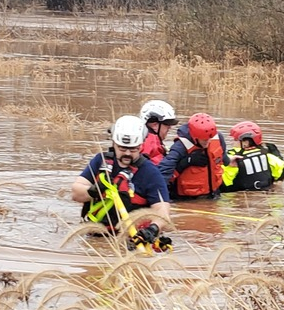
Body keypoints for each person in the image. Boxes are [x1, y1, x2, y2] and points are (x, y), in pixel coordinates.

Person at [71, 115, 171, 247]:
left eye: (133, 149)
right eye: (122, 149)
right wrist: (95, 190)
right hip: (94, 237)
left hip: (130, 240)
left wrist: (152, 230)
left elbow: (163, 212)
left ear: (141, 145)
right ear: (113, 143)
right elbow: (76, 193)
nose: (128, 154)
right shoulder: (100, 162)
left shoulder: (150, 172)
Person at [158, 112, 230, 199]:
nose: (208, 142)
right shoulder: (180, 147)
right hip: (187, 199)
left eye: (210, 138)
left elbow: (224, 160)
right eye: (204, 140)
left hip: (214, 195)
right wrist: (186, 162)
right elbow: (162, 174)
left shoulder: (218, 139)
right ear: (195, 137)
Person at [220, 121, 284, 192]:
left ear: (245, 143)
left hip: (238, 198)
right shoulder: (268, 156)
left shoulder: (232, 160)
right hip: (265, 195)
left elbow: (223, 183)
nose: (232, 142)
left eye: (235, 140)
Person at [139, 99, 179, 165]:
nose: (170, 127)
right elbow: (159, 171)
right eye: (167, 124)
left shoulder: (149, 140)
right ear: (154, 125)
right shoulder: (150, 143)